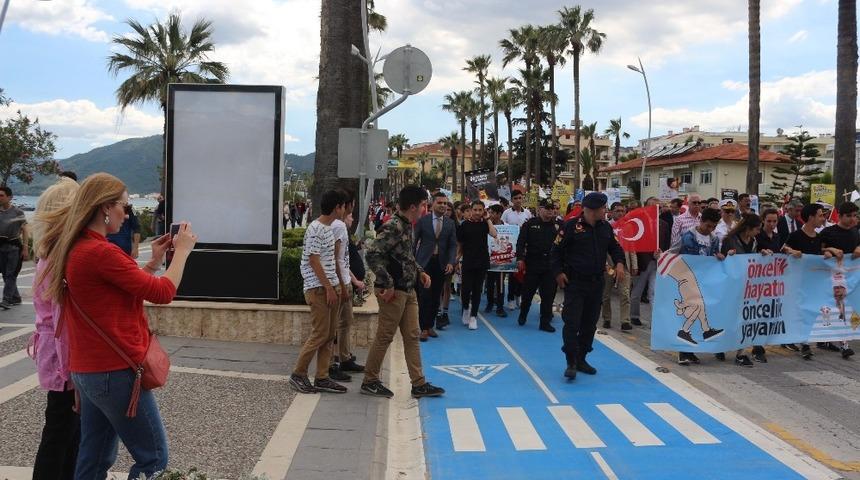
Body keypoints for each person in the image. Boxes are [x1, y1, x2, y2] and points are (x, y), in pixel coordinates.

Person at [38, 173, 196, 479]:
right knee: (154, 459)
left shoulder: (77, 248)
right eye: (126, 207)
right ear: (105, 208)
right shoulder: (100, 252)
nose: (128, 214)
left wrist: (155, 260)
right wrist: (184, 252)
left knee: (95, 456)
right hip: (114, 371)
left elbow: (119, 289)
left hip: (87, 371)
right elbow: (163, 292)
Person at [362, 185, 445, 399]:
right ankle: (370, 380)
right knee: (385, 336)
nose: (425, 209)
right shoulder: (394, 226)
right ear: (412, 207)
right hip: (394, 291)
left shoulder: (408, 225)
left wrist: (420, 272)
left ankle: (419, 384)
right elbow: (372, 254)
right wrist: (387, 283)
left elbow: (405, 256)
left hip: (408, 289)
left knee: (412, 336)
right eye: (424, 205)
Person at [29, 178, 80, 479]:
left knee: (65, 433)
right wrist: (71, 376)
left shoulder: (47, 254)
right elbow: (63, 324)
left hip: (55, 357)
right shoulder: (59, 260)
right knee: (61, 434)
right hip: (63, 363)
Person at [552, 192, 625, 380]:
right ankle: (571, 361)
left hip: (596, 283)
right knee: (572, 323)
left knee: (589, 324)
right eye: (603, 208)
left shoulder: (605, 228)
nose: (605, 211)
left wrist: (619, 263)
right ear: (593, 210)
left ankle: (582, 358)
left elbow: (615, 248)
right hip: (575, 283)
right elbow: (556, 251)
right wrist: (558, 273)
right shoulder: (570, 227)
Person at [290, 190, 348, 394]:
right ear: (336, 208)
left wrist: (338, 285)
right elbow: (313, 260)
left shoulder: (328, 229)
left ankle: (322, 376)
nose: (345, 210)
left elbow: (328, 260)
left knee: (329, 334)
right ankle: (298, 374)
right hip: (319, 289)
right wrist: (329, 287)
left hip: (330, 288)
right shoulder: (316, 229)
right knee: (320, 333)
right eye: (343, 206)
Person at [669, 207, 726, 366]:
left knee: (699, 308)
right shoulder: (688, 236)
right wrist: (662, 256)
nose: (710, 229)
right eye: (708, 225)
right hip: (687, 278)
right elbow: (673, 252)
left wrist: (719, 257)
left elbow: (713, 255)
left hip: (703, 281)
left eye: (714, 226)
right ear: (701, 221)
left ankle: (690, 346)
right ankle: (684, 349)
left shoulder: (714, 239)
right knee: (694, 308)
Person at [782, 203, 838, 360]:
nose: (823, 218)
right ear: (811, 217)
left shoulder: (819, 237)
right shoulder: (795, 236)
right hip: (797, 283)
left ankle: (806, 340)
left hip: (814, 284)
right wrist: (791, 251)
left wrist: (827, 252)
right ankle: (803, 343)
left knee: (812, 312)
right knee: (800, 312)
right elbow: (783, 249)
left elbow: (818, 253)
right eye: (820, 215)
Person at [721, 213, 770, 366]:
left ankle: (741, 353)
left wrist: (761, 254)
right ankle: (720, 346)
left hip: (749, 287)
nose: (758, 232)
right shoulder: (730, 240)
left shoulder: (754, 241)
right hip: (732, 286)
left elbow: (753, 260)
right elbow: (720, 261)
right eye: (756, 229)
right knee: (729, 319)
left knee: (746, 319)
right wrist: (727, 256)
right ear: (748, 228)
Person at [818, 201, 859, 358]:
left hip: (850, 277)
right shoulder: (828, 232)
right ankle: (841, 342)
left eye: (855, 216)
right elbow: (816, 249)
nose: (852, 219)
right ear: (840, 216)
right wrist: (829, 250)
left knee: (845, 308)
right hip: (830, 276)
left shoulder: (856, 232)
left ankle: (842, 342)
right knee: (836, 308)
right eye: (848, 216)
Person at [414, 192, 457, 341]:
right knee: (424, 296)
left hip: (441, 264)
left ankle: (430, 325)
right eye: (440, 203)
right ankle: (423, 328)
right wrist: (413, 262)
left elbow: (452, 245)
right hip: (424, 263)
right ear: (432, 204)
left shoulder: (450, 224)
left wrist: (451, 262)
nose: (443, 206)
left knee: (435, 297)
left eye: (445, 203)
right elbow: (414, 242)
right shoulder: (423, 221)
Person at [517, 198, 562, 332]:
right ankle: (523, 314)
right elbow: (521, 242)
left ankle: (545, 322)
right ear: (539, 209)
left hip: (550, 265)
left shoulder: (558, 226)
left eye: (552, 208)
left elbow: (563, 246)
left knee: (548, 295)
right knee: (528, 293)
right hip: (533, 264)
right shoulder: (530, 224)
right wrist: (520, 258)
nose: (550, 211)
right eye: (547, 208)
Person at [328, 191, 359, 382]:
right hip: (340, 283)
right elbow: (335, 257)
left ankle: (345, 357)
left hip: (345, 281)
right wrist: (341, 284)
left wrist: (351, 280)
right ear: (347, 205)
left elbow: (343, 260)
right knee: (334, 326)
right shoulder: (338, 225)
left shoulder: (339, 225)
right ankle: (332, 364)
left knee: (346, 322)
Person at [457, 200, 498, 330]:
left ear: (483, 211)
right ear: (471, 210)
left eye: (480, 210)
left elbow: (494, 234)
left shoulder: (485, 224)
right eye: (475, 210)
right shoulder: (464, 225)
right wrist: (457, 258)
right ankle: (465, 308)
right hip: (468, 260)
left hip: (482, 260)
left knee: (477, 290)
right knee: (465, 289)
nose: (477, 212)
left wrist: (488, 219)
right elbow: (460, 244)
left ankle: (474, 316)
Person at [601, 202, 637, 331]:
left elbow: (632, 246)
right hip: (609, 265)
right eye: (617, 211)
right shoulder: (605, 226)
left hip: (625, 265)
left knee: (625, 293)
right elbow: (602, 249)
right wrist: (604, 264)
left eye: (623, 211)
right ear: (611, 212)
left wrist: (634, 264)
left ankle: (625, 321)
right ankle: (607, 318)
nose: (621, 213)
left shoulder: (628, 227)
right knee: (606, 294)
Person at [631, 197, 663, 326]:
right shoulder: (638, 224)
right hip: (642, 262)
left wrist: (662, 253)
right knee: (637, 292)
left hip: (657, 262)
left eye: (658, 208)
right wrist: (634, 264)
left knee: (654, 292)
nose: (656, 210)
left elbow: (666, 242)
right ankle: (634, 315)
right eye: (653, 207)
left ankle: (655, 320)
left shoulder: (663, 224)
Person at [502, 190, 532, 310]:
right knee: (511, 274)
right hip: (510, 247)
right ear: (512, 200)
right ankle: (510, 298)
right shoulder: (507, 213)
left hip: (523, 248)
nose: (518, 200)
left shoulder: (528, 213)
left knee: (522, 273)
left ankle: (518, 294)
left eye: (520, 198)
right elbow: (502, 228)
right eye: (516, 198)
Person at [0, 186, 29, 308]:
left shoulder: (18, 212)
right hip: (0, 247)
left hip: (14, 247)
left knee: (11, 274)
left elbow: (25, 229)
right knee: (5, 274)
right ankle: (16, 297)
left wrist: (25, 248)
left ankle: (6, 299)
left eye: (1, 195)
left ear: (9, 197)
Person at [484, 204, 508, 317]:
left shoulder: (507, 227)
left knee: (500, 283)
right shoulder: (486, 225)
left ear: (499, 214)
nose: (491, 215)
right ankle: (489, 303)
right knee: (489, 282)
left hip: (501, 259)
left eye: (493, 213)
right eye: (490, 212)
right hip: (488, 258)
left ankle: (500, 306)